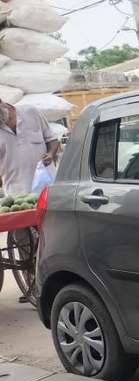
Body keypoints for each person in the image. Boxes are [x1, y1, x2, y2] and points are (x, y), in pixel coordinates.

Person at [0, 100, 59, 303]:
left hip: (46, 190)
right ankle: (31, 286)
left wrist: (50, 154)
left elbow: (53, 140)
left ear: (4, 105)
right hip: (16, 195)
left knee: (53, 237)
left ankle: (55, 280)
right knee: (24, 244)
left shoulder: (32, 112)